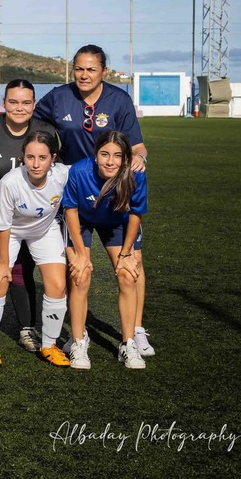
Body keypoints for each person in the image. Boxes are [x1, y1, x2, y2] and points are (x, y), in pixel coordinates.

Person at [0, 44, 153, 356]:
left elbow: (137, 146)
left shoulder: (119, 100)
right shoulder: (59, 97)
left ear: (104, 72)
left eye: (91, 69)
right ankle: (76, 334)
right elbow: (23, 111)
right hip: (74, 189)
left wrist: (139, 159)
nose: (84, 75)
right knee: (77, 266)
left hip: (114, 192)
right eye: (79, 68)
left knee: (130, 263)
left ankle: (136, 332)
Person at [0, 79, 59, 353]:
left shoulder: (45, 131)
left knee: (22, 271)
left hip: (31, 216)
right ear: (3, 103)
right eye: (13, 102)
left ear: (34, 104)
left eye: (26, 103)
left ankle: (26, 328)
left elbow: (55, 171)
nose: (20, 108)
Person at [0, 131, 71, 367]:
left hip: (44, 230)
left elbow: (92, 166)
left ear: (53, 158)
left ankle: (49, 345)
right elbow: (2, 225)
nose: (36, 164)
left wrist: (135, 158)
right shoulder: (10, 182)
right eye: (30, 157)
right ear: (23, 156)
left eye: (42, 158)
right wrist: (3, 264)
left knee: (57, 285)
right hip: (6, 232)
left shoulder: (62, 174)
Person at [62, 130, 148, 370]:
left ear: (126, 158)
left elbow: (136, 214)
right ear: (95, 155)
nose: (110, 161)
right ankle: (78, 341)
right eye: (104, 154)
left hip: (118, 223)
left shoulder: (135, 174)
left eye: (118, 155)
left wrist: (126, 254)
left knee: (128, 274)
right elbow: (70, 210)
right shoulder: (79, 171)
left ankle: (128, 344)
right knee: (80, 275)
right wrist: (81, 254)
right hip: (82, 220)